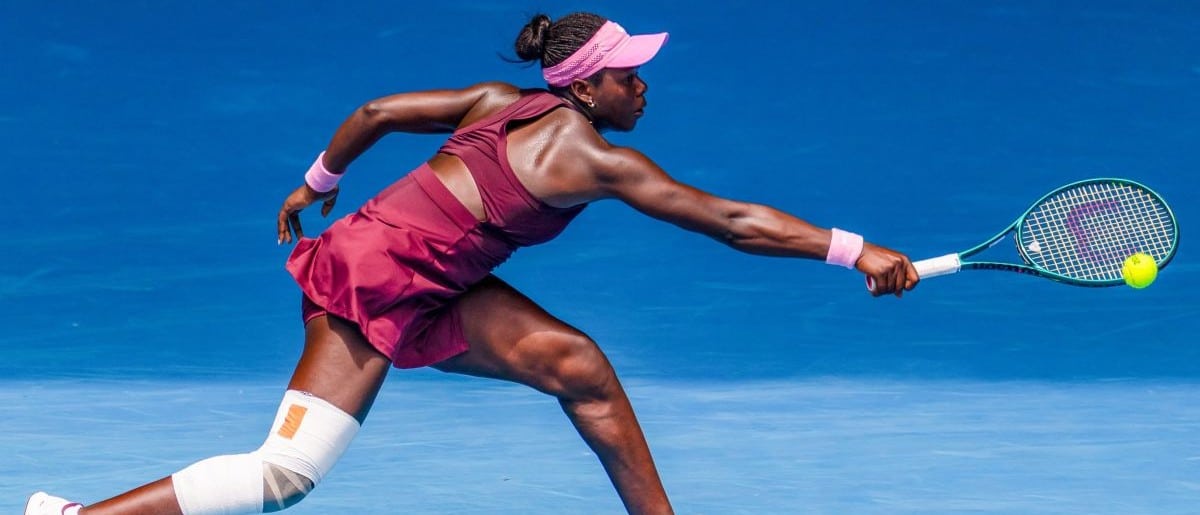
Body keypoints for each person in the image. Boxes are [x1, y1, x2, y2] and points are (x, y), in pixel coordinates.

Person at [26, 11, 918, 515]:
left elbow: (374, 110)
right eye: (631, 75)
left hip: (415, 274)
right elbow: (733, 221)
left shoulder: (499, 101)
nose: (644, 85)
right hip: (377, 281)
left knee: (580, 367)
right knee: (284, 477)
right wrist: (857, 250)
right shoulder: (599, 161)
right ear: (588, 85)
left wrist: (315, 182)